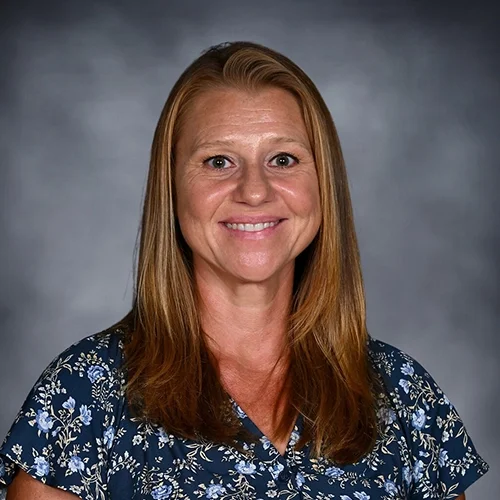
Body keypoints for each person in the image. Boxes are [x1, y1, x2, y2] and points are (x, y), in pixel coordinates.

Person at [0, 41, 489, 499]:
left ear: (324, 185)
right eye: (218, 161)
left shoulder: (402, 396)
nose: (254, 191)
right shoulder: (84, 394)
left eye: (283, 158)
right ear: (171, 191)